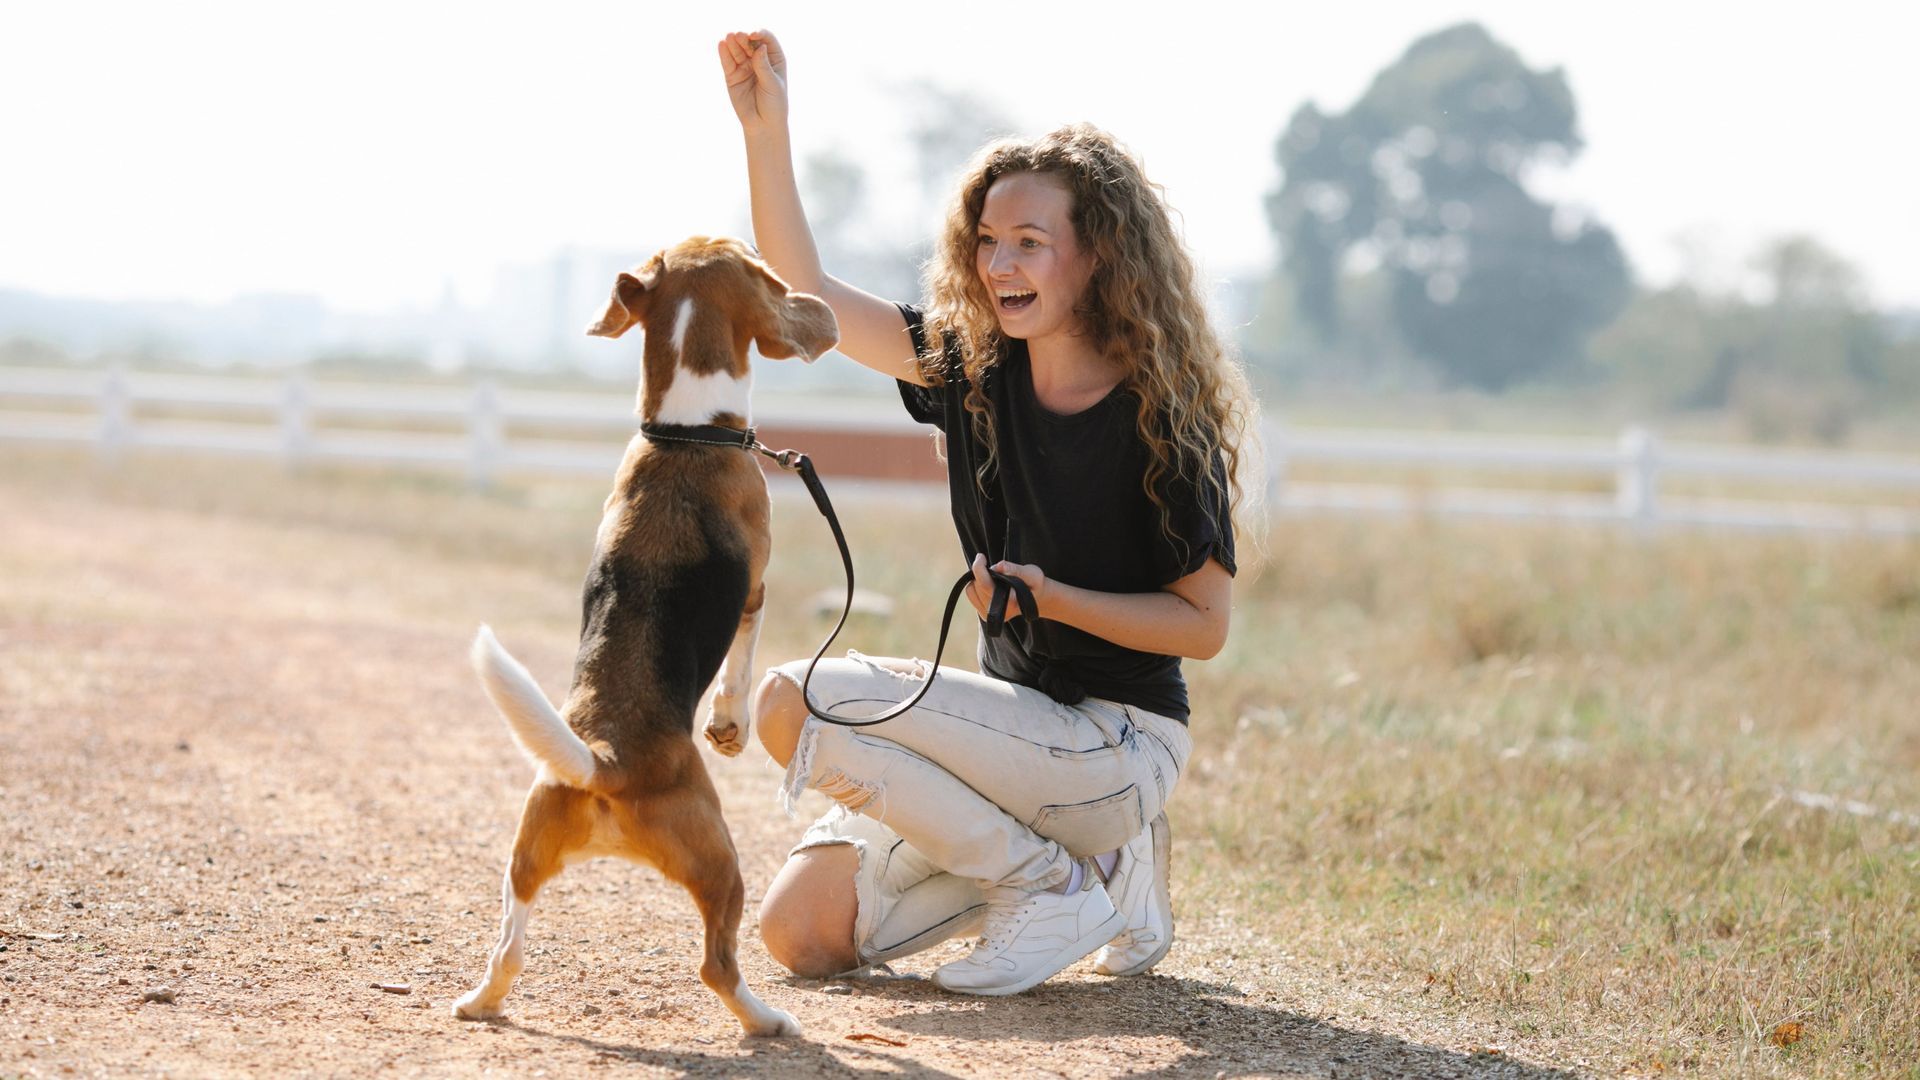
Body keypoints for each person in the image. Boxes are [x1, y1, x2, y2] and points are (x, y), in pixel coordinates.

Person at [717, 29, 1258, 997]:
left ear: (1097, 259)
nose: (1000, 262)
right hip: (1012, 743)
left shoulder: (1161, 419)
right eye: (988, 240)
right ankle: (1098, 874)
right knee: (801, 936)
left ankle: (1051, 880)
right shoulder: (971, 369)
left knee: (791, 699)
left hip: (1116, 743)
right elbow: (810, 295)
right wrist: (768, 131)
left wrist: (1053, 598)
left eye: (1030, 242)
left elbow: (1205, 628)